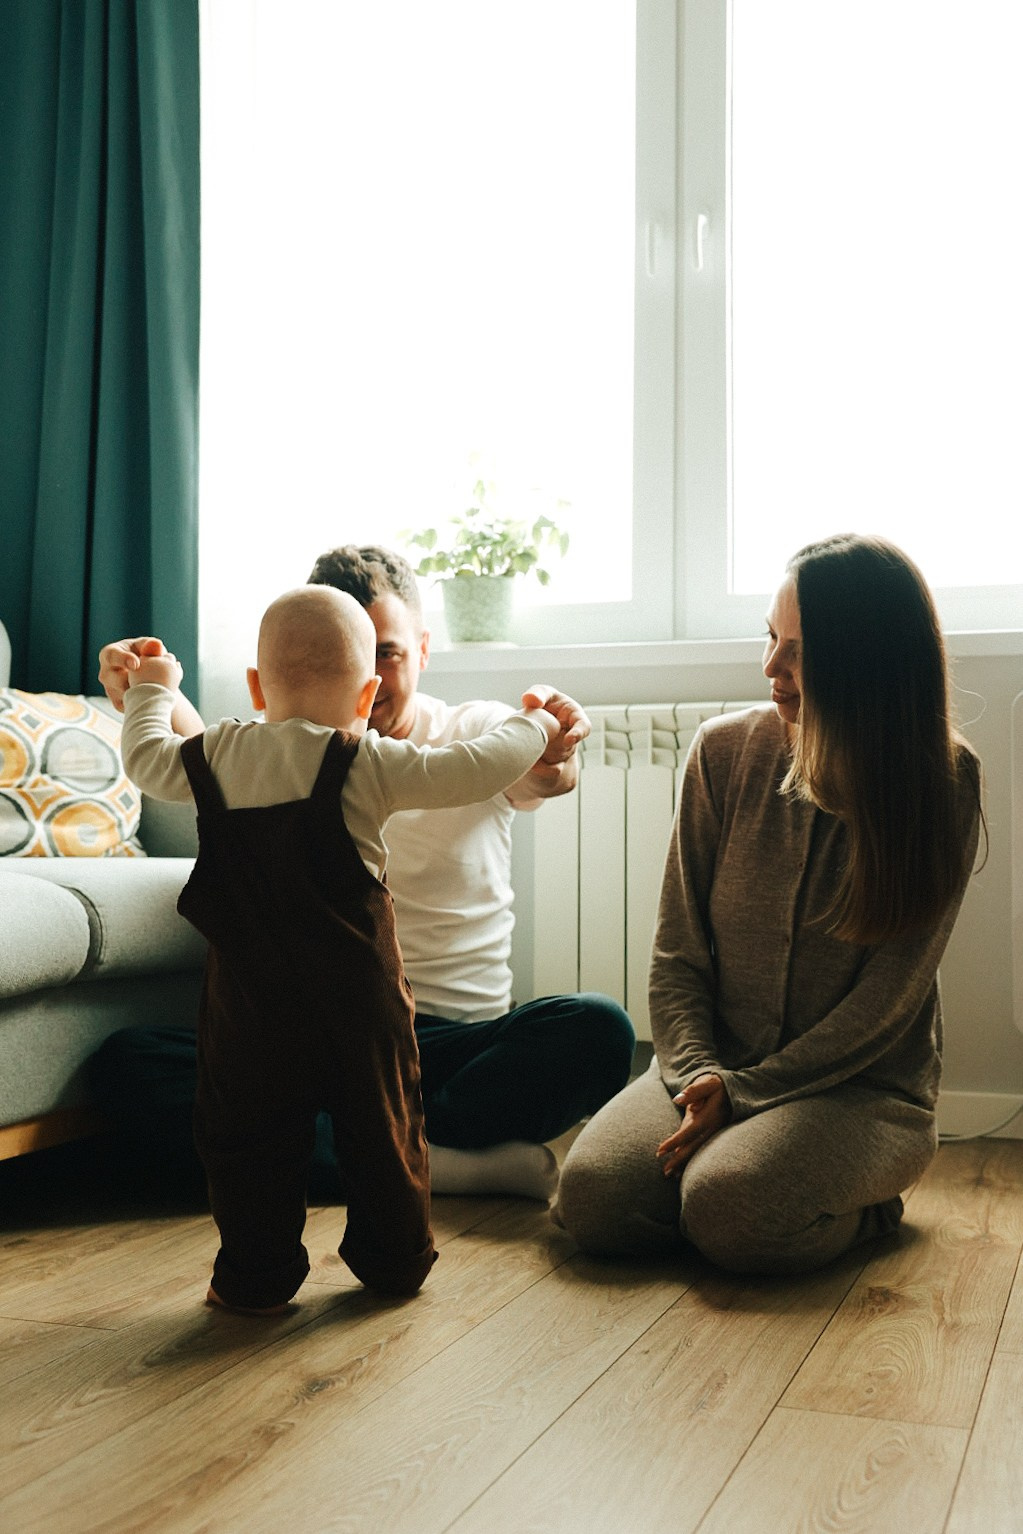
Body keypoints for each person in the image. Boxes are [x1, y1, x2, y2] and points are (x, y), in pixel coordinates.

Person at [91, 545, 635, 1203]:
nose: (361, 674)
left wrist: (555, 740)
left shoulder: (470, 732)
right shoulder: (279, 750)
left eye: (387, 652)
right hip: (314, 1045)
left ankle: (350, 1150)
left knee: (597, 1029)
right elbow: (201, 755)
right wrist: (147, 688)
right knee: (132, 1068)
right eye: (346, 653)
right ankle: (440, 1166)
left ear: (424, 650)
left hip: (446, 1046)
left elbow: (543, 772)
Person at [121, 585, 560, 1313]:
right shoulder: (366, 760)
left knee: (242, 1136)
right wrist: (535, 724)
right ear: (366, 694)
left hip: (247, 1007)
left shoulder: (215, 755)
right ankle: (393, 1261)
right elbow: (475, 767)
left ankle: (254, 1276)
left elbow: (145, 758)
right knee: (384, 1125)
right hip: (358, 1003)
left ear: (257, 687)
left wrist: (151, 690)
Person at [554, 533, 984, 1275]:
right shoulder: (721, 754)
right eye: (769, 638)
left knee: (732, 1208)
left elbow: (888, 999)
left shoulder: (939, 780)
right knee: (591, 1198)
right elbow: (676, 955)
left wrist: (747, 1094)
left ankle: (865, 1205)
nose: (769, 669)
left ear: (867, 659)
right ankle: (722, 1184)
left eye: (799, 650)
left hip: (860, 1091)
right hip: (712, 1072)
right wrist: (698, 1079)